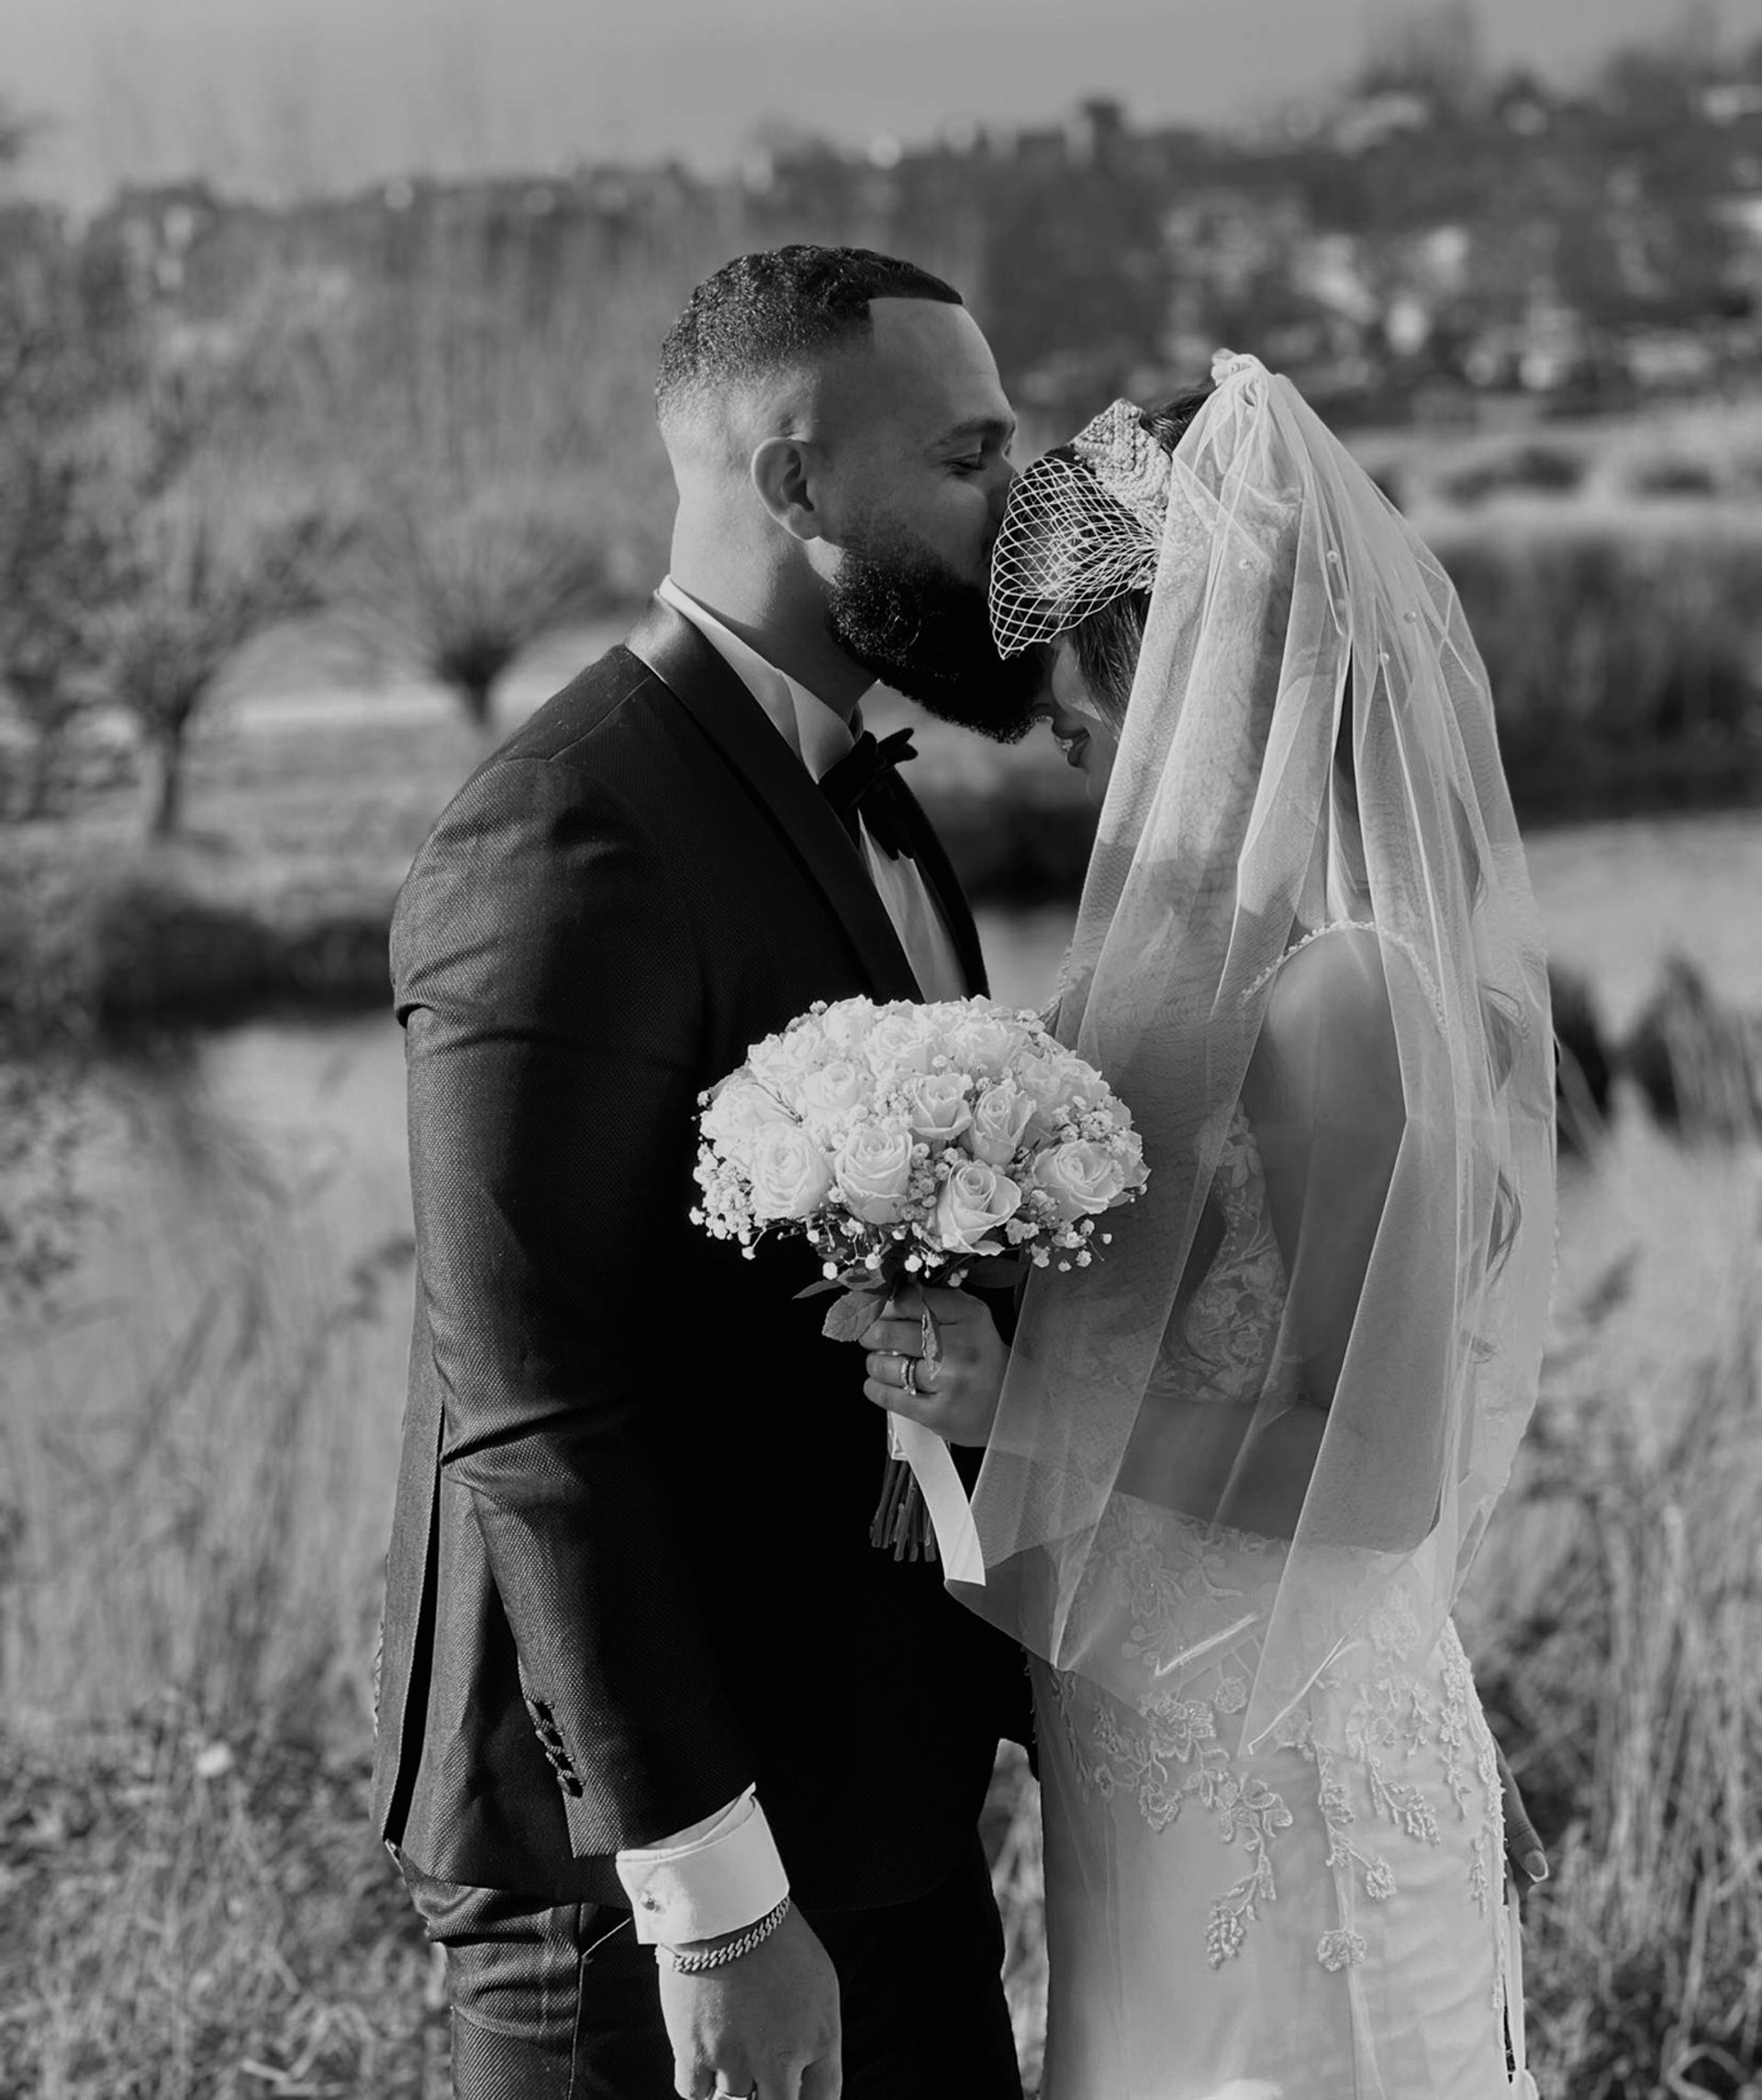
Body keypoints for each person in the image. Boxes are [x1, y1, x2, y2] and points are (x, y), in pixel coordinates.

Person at [371, 243, 1046, 2100]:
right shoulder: (564, 831)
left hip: (885, 1795)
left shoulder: (880, 797)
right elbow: (533, 1401)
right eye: (974, 457)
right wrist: (718, 1900)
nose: (1022, 510)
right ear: (793, 482)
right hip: (649, 1876)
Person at [859, 354, 1556, 2097]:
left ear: (1182, 657)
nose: (1074, 754)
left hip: (1290, 1752)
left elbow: (1371, 1468)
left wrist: (1017, 1416)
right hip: (1164, 1720)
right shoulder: (1193, 985)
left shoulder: (1342, 998)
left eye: (1081, 710)